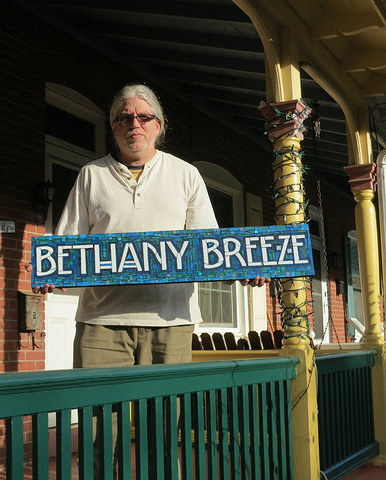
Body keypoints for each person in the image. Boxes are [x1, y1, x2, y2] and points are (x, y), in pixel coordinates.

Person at [31, 84, 267, 477]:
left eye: (143, 117)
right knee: (97, 430)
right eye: (124, 117)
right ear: (113, 126)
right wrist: (51, 271)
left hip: (170, 322)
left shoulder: (185, 175)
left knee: (160, 429)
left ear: (159, 125)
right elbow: (67, 243)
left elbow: (210, 246)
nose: (134, 124)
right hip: (101, 325)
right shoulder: (92, 175)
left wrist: (242, 267)